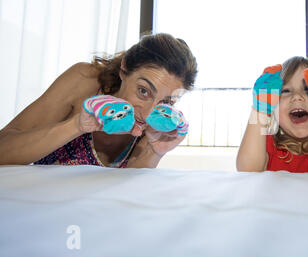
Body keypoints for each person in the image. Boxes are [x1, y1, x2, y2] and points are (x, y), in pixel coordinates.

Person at [0, 33, 197, 168]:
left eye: (166, 102)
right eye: (143, 91)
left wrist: (154, 152)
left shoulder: (157, 124)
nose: (147, 114)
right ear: (125, 69)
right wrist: (76, 126)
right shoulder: (84, 80)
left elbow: (127, 202)